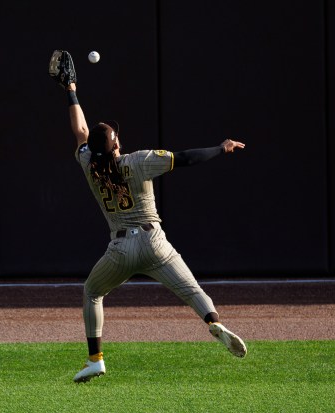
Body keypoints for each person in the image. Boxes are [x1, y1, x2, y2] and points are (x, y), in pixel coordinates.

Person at [63, 82, 247, 383]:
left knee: (92, 292)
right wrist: (221, 147)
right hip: (154, 241)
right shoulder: (138, 161)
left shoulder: (89, 164)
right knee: (192, 290)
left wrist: (70, 92)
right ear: (117, 144)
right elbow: (186, 157)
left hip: (120, 249)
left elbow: (80, 132)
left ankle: (95, 359)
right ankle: (213, 321)